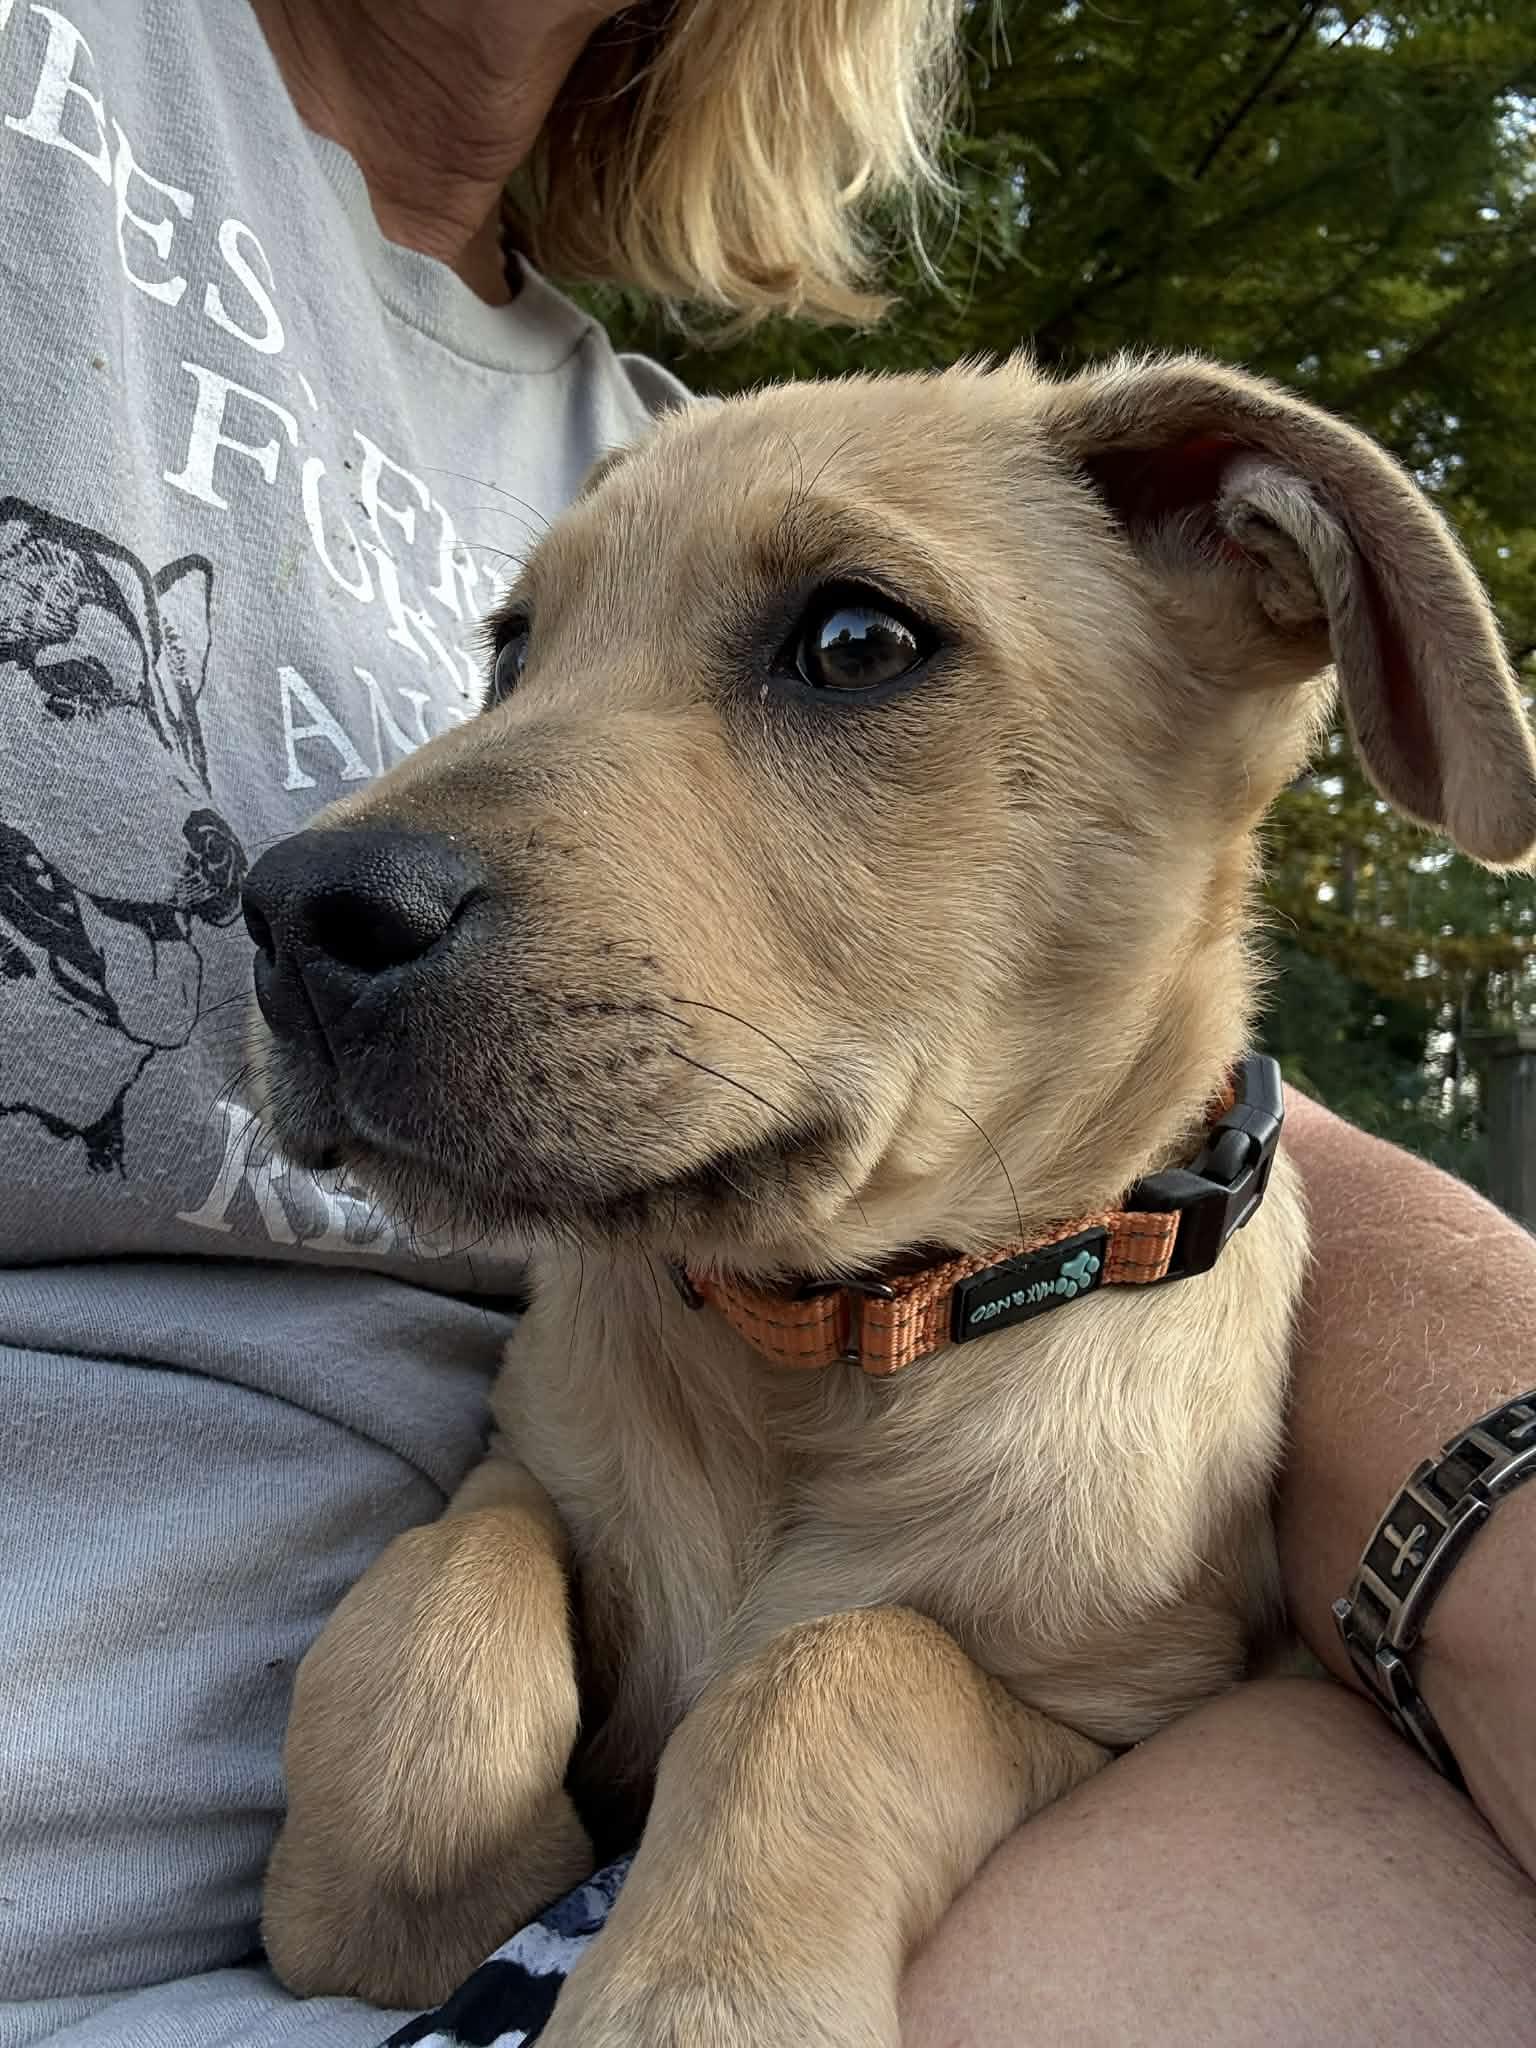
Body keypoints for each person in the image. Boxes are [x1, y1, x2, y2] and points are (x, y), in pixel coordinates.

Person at [0, 4, 1530, 2045]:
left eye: (850, 644)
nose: (366, 850)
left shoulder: (621, 413)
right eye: (522, 651)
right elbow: (526, 1504)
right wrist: (445, 1671)